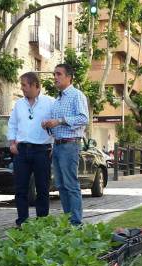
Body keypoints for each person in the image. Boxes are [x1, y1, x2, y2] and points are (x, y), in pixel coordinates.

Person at [42, 63, 89, 226]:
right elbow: (55, 126)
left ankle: (76, 222)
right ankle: (68, 220)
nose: (55, 77)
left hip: (70, 145)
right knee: (61, 185)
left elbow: (84, 119)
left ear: (69, 77)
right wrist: (48, 126)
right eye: (54, 74)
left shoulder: (77, 95)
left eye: (58, 74)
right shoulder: (56, 101)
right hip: (57, 145)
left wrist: (59, 121)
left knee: (70, 184)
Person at [7, 72, 55, 227]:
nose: (22, 89)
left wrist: (55, 145)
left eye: (24, 85)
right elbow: (12, 124)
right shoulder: (19, 104)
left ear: (36, 85)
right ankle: (22, 222)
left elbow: (56, 125)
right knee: (20, 189)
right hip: (21, 151)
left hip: (42, 150)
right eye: (21, 85)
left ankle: (42, 222)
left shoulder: (50, 102)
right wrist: (12, 143)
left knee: (42, 188)